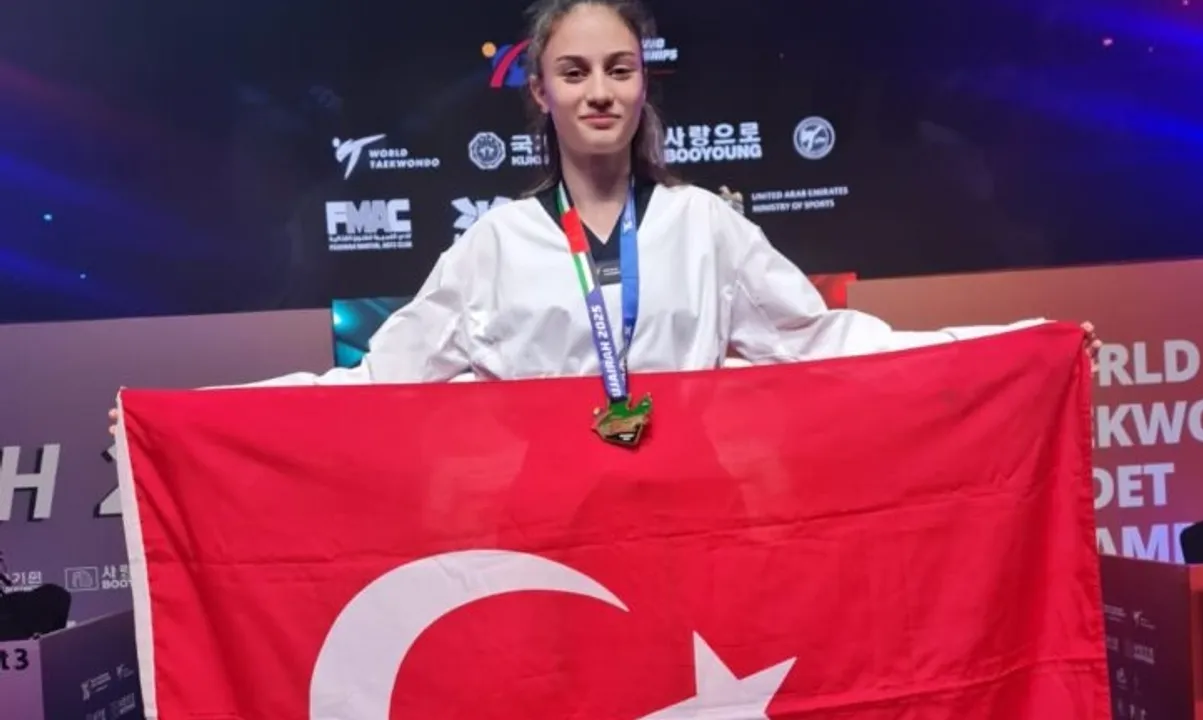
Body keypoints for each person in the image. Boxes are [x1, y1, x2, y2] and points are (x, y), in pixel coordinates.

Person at [109, 0, 1101, 434]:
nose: (599, 92)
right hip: (544, 537)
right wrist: (190, 419)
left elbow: (833, 343)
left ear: (641, 84)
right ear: (539, 92)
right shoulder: (495, 245)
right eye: (574, 72)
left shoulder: (704, 227)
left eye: (618, 70)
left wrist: (1019, 346)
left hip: (692, 518)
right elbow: (376, 386)